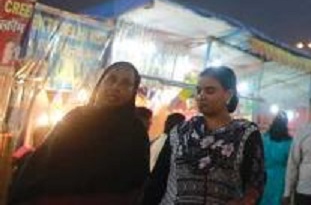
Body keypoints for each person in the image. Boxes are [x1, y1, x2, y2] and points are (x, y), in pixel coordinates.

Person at [10, 61, 149, 204]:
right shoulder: (76, 118)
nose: (116, 87)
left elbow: (137, 183)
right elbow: (43, 160)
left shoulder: (135, 132)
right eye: (111, 79)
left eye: (125, 83)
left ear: (133, 91)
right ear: (101, 83)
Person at [145, 65, 266, 205]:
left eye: (210, 90)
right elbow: (158, 180)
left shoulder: (245, 134)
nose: (201, 96)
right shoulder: (180, 132)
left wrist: (247, 200)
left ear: (228, 94)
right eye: (198, 90)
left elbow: (255, 182)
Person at [263, 113, 292, 205]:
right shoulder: (289, 142)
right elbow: (291, 164)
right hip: (281, 178)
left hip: (264, 177)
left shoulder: (264, 138)